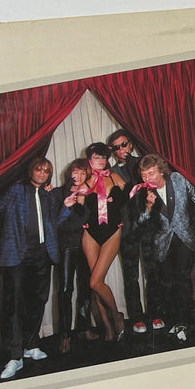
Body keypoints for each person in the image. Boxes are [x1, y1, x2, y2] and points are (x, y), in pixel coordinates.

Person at [133, 153, 195, 342]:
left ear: (161, 171)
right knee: (168, 284)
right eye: (144, 175)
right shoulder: (140, 192)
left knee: (182, 280)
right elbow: (140, 222)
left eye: (151, 174)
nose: (147, 179)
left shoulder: (178, 179)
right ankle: (176, 321)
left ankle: (184, 323)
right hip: (162, 243)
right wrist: (149, 206)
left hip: (184, 239)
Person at [0, 157, 69, 379]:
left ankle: (31, 345)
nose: (42, 174)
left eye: (46, 171)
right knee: (15, 305)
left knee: (38, 301)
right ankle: (15, 356)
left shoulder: (47, 195)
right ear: (31, 171)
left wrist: (66, 207)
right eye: (38, 169)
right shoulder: (18, 190)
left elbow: (52, 223)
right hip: (18, 255)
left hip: (42, 255)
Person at [79, 141, 129, 342]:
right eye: (96, 157)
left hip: (112, 231)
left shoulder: (115, 177)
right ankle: (107, 325)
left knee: (95, 281)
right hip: (90, 234)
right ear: (89, 160)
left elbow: (132, 196)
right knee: (96, 284)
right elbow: (76, 210)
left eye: (103, 157)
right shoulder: (84, 182)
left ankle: (116, 316)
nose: (101, 160)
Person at [107, 129, 150, 334]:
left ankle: (156, 314)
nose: (121, 149)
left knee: (152, 272)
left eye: (124, 144)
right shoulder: (111, 172)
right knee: (131, 276)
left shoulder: (143, 164)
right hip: (127, 230)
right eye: (116, 147)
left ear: (131, 145)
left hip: (148, 226)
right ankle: (136, 317)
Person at [54, 159, 94, 352]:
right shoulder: (57, 193)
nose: (78, 176)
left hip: (86, 245)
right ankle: (65, 336)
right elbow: (53, 222)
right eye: (75, 172)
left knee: (86, 288)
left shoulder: (91, 194)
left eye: (83, 173)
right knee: (65, 290)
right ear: (69, 173)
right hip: (66, 246)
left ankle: (83, 329)